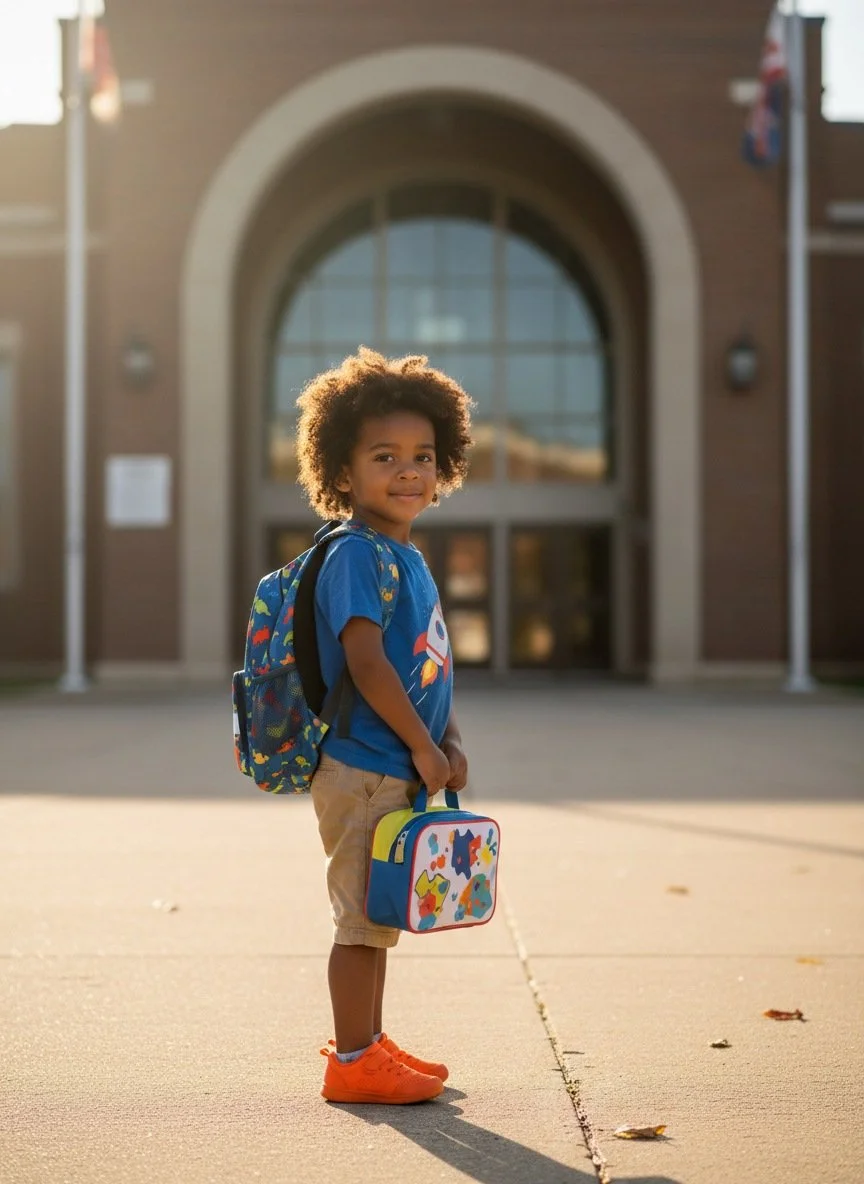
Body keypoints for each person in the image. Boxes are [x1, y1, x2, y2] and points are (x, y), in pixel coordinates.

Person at [295, 346, 474, 1105]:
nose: (409, 471)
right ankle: (352, 1061)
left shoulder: (408, 557)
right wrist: (423, 745)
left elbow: (424, 665)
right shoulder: (354, 556)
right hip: (363, 764)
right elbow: (367, 664)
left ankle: (366, 1042)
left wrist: (449, 738)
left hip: (392, 763)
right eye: (385, 456)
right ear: (341, 473)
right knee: (360, 923)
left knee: (379, 917)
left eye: (423, 457)